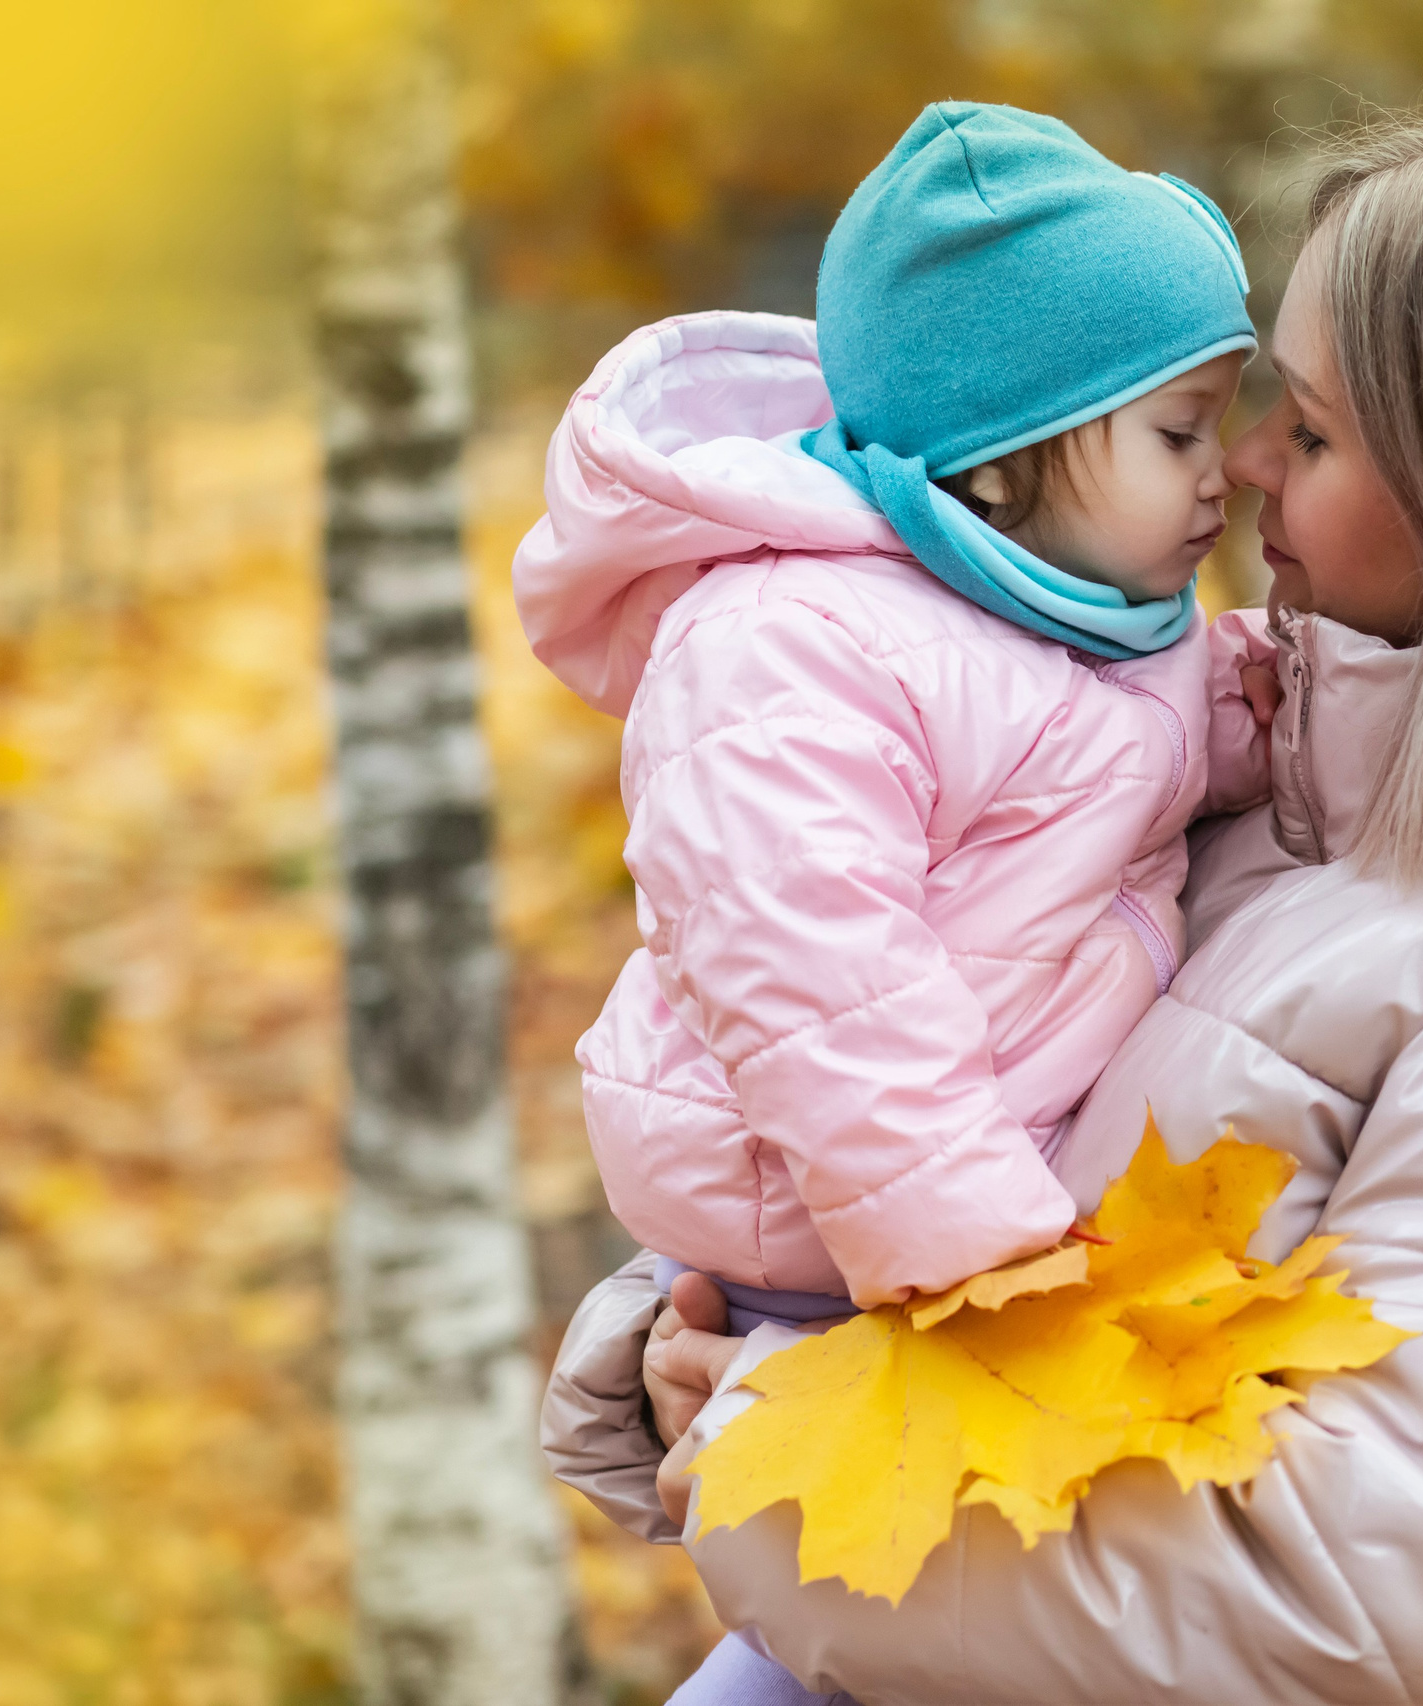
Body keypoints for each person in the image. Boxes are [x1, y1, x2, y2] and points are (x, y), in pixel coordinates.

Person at [547, 96, 1423, 1704]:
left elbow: (1324, 1591)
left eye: (1308, 433)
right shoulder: (1303, 782)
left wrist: (770, 1441)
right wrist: (705, 1336)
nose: (1244, 463)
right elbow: (948, 1090)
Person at [515, 101, 1273, 1700]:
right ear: (1010, 459)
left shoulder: (1070, 613)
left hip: (942, 1217)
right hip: (861, 1222)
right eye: (1182, 433)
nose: (1230, 478)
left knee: (876, 1635)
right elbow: (812, 978)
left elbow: (1224, 722)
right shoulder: (798, 645)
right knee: (883, 1625)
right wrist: (973, 1258)